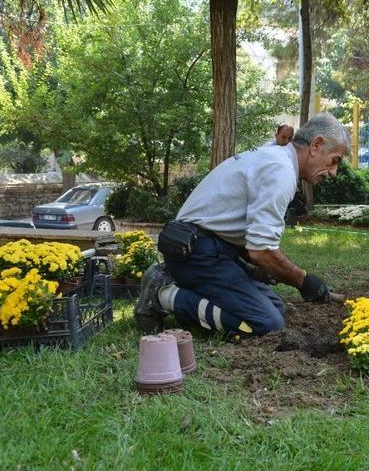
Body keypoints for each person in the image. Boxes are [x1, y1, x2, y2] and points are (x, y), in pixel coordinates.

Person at [134, 113, 349, 336]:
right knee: (266, 323)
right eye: (335, 160)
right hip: (195, 252)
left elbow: (251, 240)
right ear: (316, 145)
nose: (334, 172)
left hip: (209, 246)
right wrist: (304, 281)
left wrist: (263, 269)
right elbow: (261, 250)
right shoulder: (281, 171)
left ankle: (181, 283)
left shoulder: (274, 156)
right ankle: (162, 294)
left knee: (275, 307)